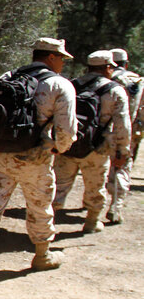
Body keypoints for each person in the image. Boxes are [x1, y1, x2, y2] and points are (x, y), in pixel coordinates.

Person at [0, 37, 77, 285]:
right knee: (39, 205)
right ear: (51, 58)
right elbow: (66, 131)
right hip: (33, 157)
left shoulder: (7, 76)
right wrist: (58, 148)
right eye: (61, 59)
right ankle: (42, 255)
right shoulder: (59, 84)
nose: (63, 64)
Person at [52, 50, 130, 233]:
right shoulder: (115, 91)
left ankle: (48, 220)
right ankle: (92, 222)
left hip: (68, 144)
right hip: (98, 147)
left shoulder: (71, 85)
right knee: (96, 185)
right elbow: (123, 125)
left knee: (59, 184)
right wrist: (122, 151)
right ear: (108, 68)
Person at [104, 48, 142, 224]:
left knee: (100, 166)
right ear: (126, 63)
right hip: (130, 131)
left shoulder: (104, 78)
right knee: (122, 166)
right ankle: (116, 206)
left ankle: (93, 204)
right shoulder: (137, 80)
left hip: (103, 131)